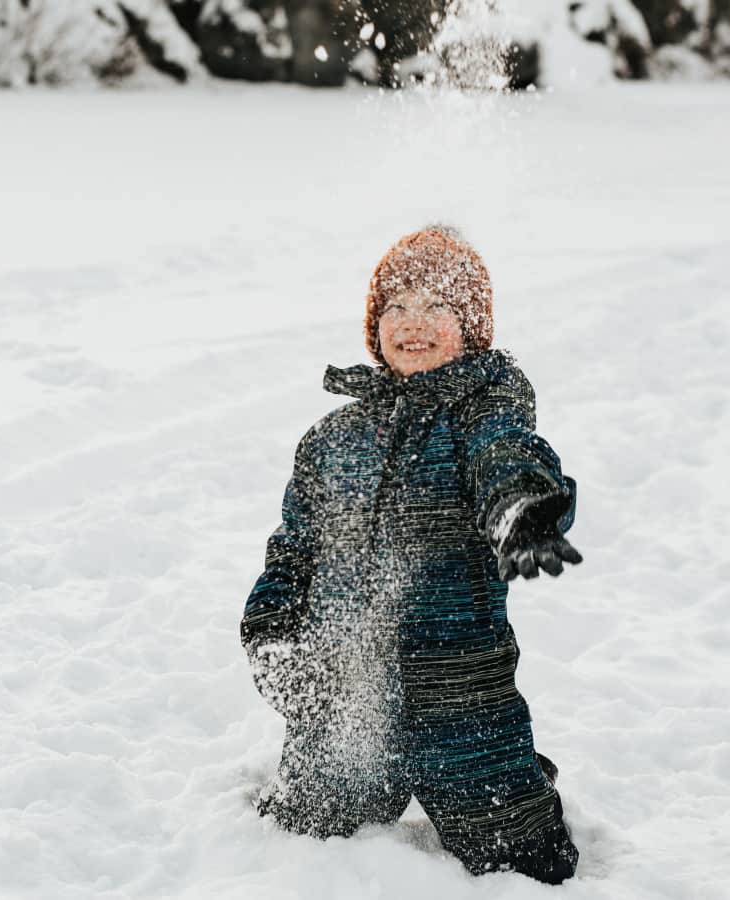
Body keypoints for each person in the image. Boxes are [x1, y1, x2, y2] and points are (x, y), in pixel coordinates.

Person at [239, 225, 583, 884]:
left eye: (436, 307)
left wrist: (522, 506)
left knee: (527, 863)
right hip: (348, 701)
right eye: (396, 307)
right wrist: (273, 635)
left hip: (462, 698)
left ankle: (520, 782)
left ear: (471, 326)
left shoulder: (483, 410)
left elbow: (505, 457)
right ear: (375, 327)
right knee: (304, 839)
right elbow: (292, 552)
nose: (412, 323)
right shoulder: (330, 441)